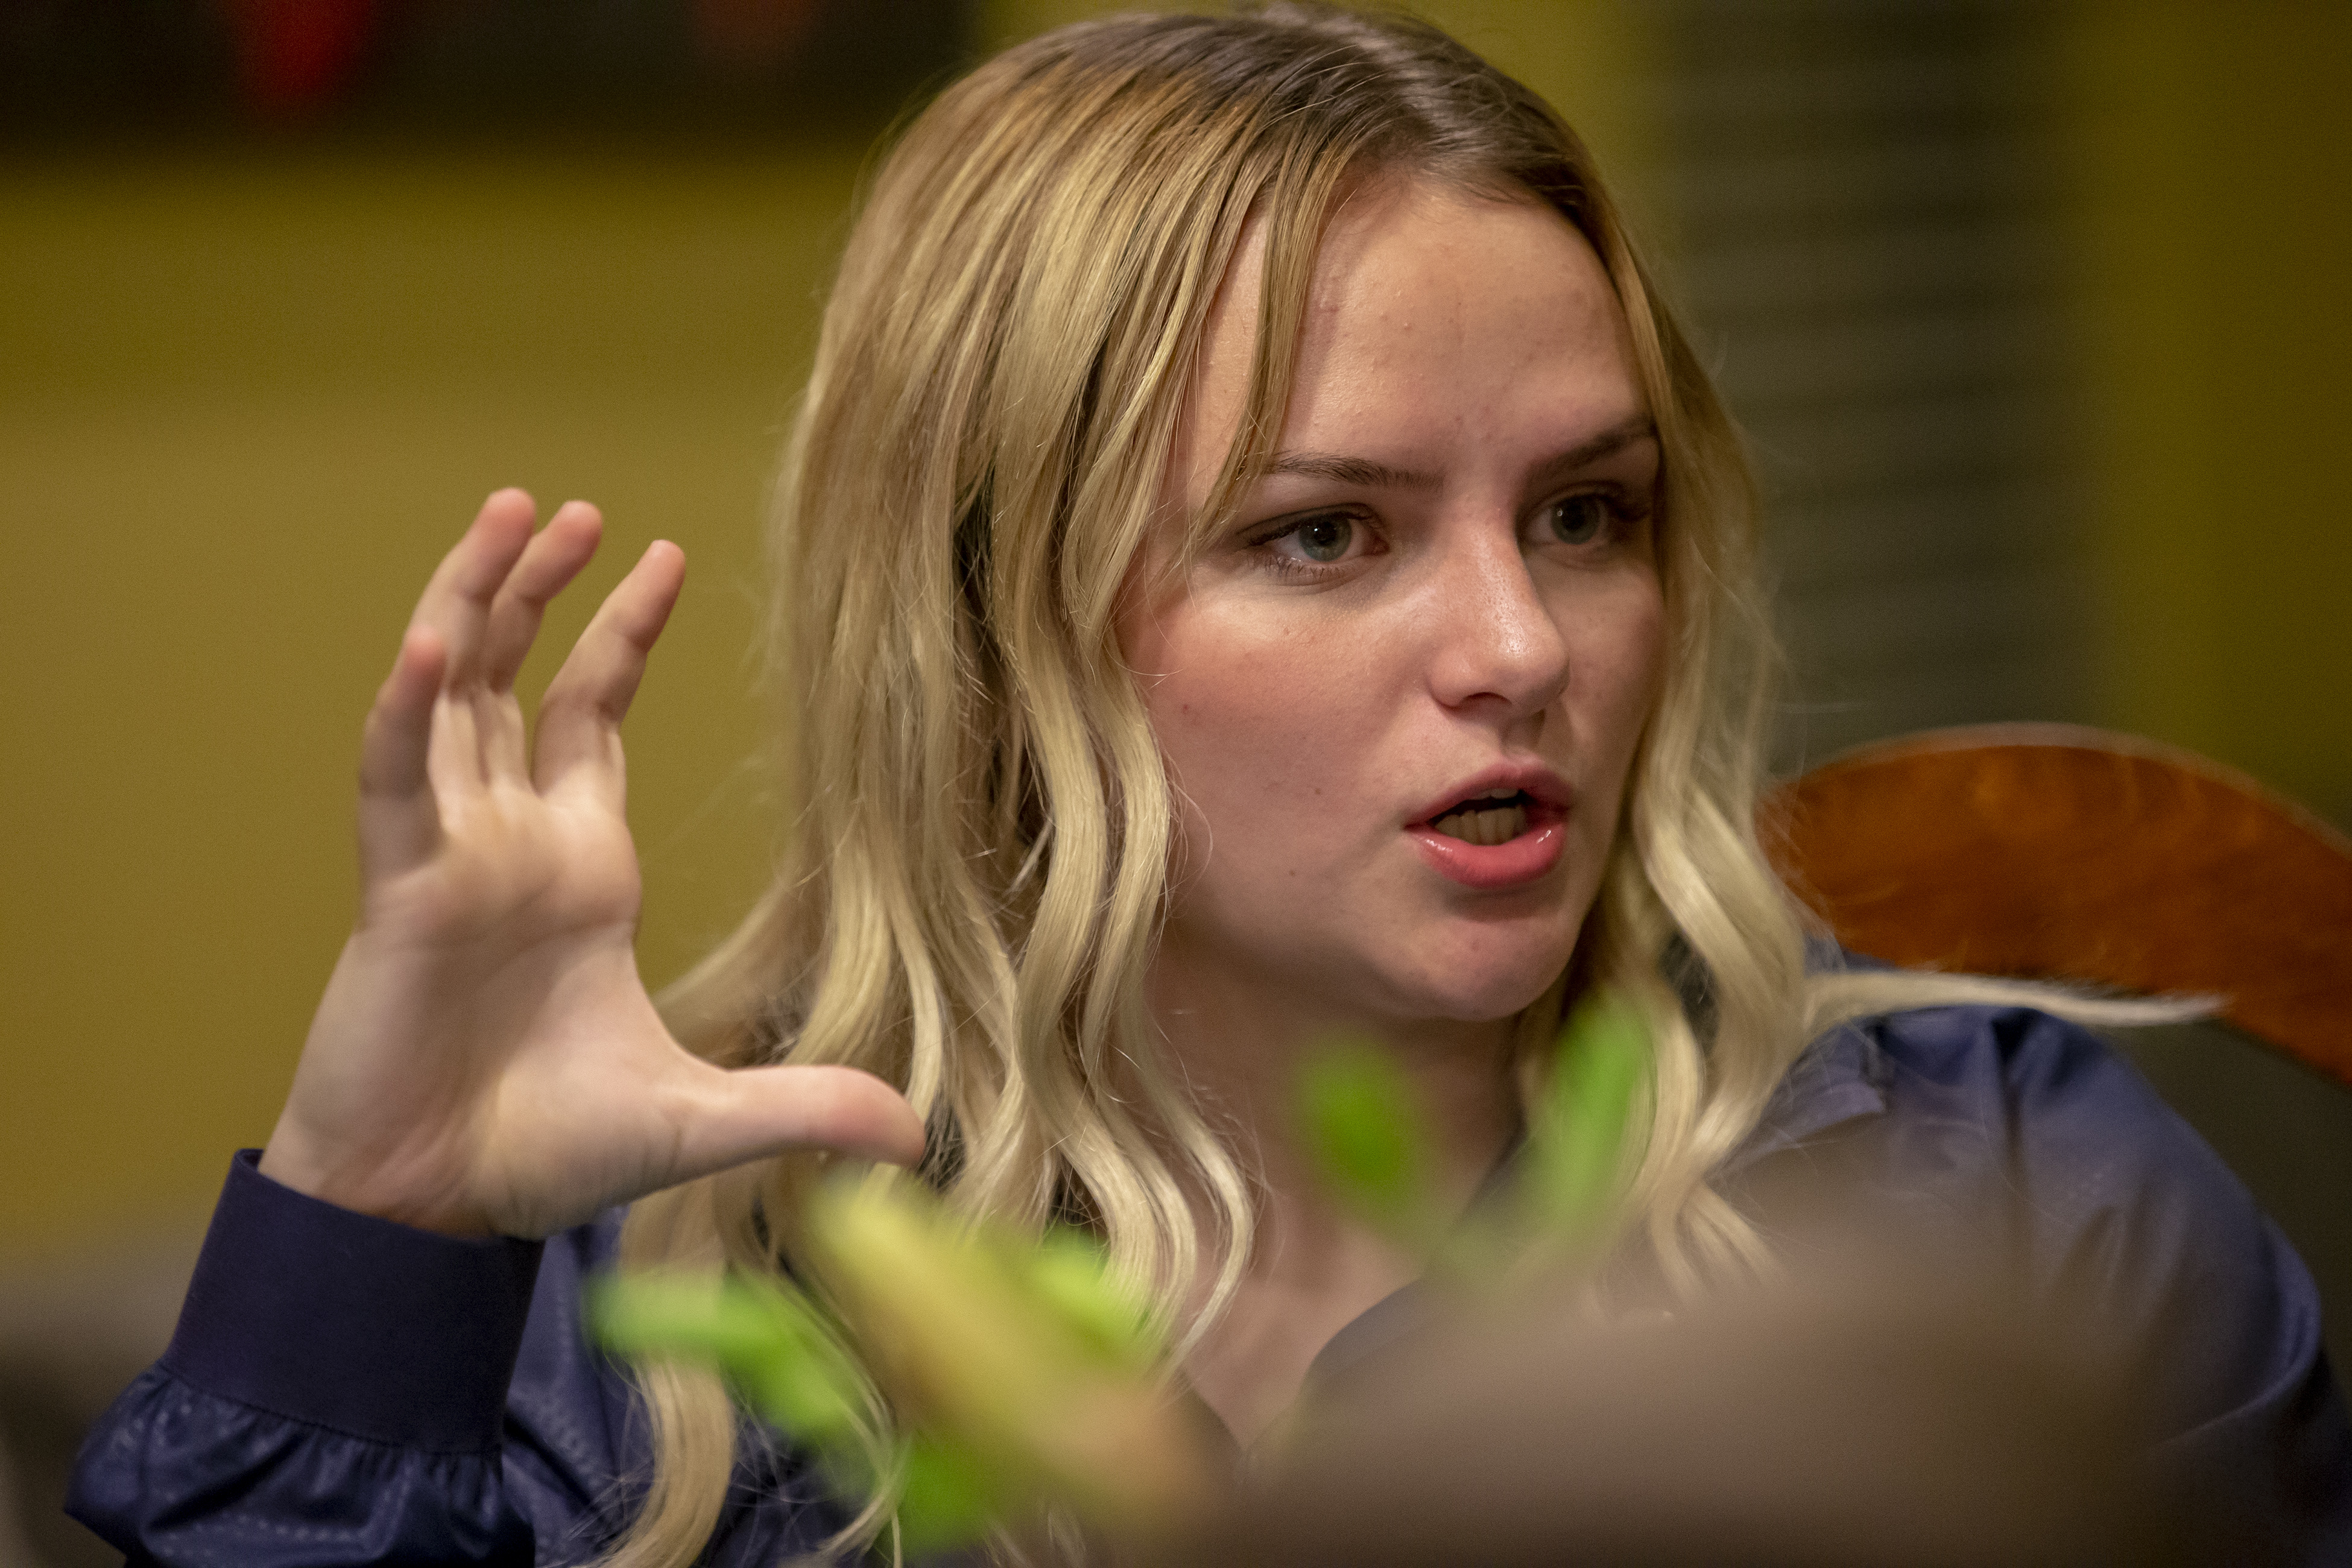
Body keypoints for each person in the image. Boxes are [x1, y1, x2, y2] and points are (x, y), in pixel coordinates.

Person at [68, 5, 2352, 1565]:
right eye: (1325, 534)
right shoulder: (685, 1318)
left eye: (1586, 513)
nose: (1520, 647)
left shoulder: (2003, 1198)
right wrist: (379, 1208)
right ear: (993, 616)